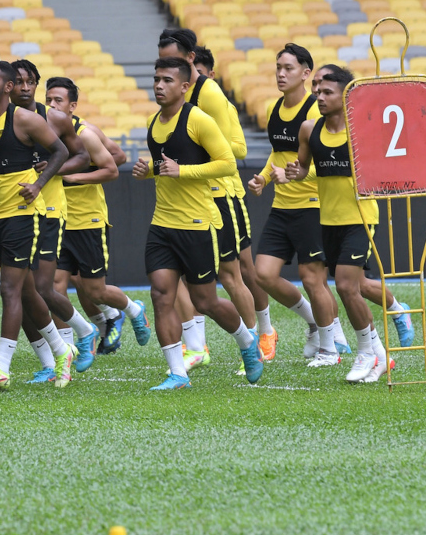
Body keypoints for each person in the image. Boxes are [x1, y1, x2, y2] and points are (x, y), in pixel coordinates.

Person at [133, 57, 263, 390]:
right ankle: (178, 373)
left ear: (185, 86)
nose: (159, 85)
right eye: (156, 79)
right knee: (161, 295)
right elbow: (166, 165)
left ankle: (247, 342)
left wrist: (183, 171)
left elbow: (228, 163)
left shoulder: (199, 120)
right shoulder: (152, 121)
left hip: (198, 223)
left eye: (166, 80)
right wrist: (148, 169)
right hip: (162, 224)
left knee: (206, 301)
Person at [0, 60, 77, 389]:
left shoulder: (26, 120)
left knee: (8, 288)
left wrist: (38, 185)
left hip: (25, 214)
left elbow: (61, 151)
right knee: (25, 291)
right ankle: (61, 350)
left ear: (7, 87)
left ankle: (1, 367)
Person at [157, 29, 267, 369]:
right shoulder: (172, 94)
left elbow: (232, 150)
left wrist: (190, 156)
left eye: (173, 61)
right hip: (188, 197)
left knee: (233, 275)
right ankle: (197, 346)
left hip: (220, 194)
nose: (165, 69)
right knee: (178, 279)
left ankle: (256, 343)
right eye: (162, 62)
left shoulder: (211, 95)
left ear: (191, 60)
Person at [248, 48, 352, 363]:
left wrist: (290, 176)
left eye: (288, 68)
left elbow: (330, 162)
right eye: (277, 67)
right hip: (282, 207)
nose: (281, 73)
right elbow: (278, 155)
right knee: (262, 274)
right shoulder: (273, 108)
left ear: (306, 73)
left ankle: (331, 344)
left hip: (314, 206)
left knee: (313, 278)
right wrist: (266, 178)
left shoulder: (315, 111)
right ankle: (313, 322)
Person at [286, 67, 390, 382]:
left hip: (361, 218)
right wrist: (296, 173)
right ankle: (382, 357)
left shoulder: (362, 130)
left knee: (346, 285)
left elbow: (384, 165)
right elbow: (304, 168)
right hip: (328, 221)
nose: (319, 96)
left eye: (327, 92)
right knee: (351, 288)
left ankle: (364, 354)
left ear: (345, 96)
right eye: (317, 91)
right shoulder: (308, 130)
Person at [44, 76, 150, 382]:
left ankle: (132, 308)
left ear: (72, 106)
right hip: (58, 218)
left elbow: (115, 161)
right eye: (48, 100)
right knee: (54, 286)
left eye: (58, 101)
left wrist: (76, 174)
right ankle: (69, 350)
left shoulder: (85, 132)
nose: (52, 105)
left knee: (94, 290)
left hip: (88, 220)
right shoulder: (43, 131)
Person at [9, 60, 102, 376]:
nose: (24, 87)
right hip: (15, 212)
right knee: (18, 292)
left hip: (49, 212)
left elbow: (82, 157)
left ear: (36, 84)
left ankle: (84, 331)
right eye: (18, 81)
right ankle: (50, 362)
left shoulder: (56, 119)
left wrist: (50, 171)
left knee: (43, 289)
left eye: (29, 81)